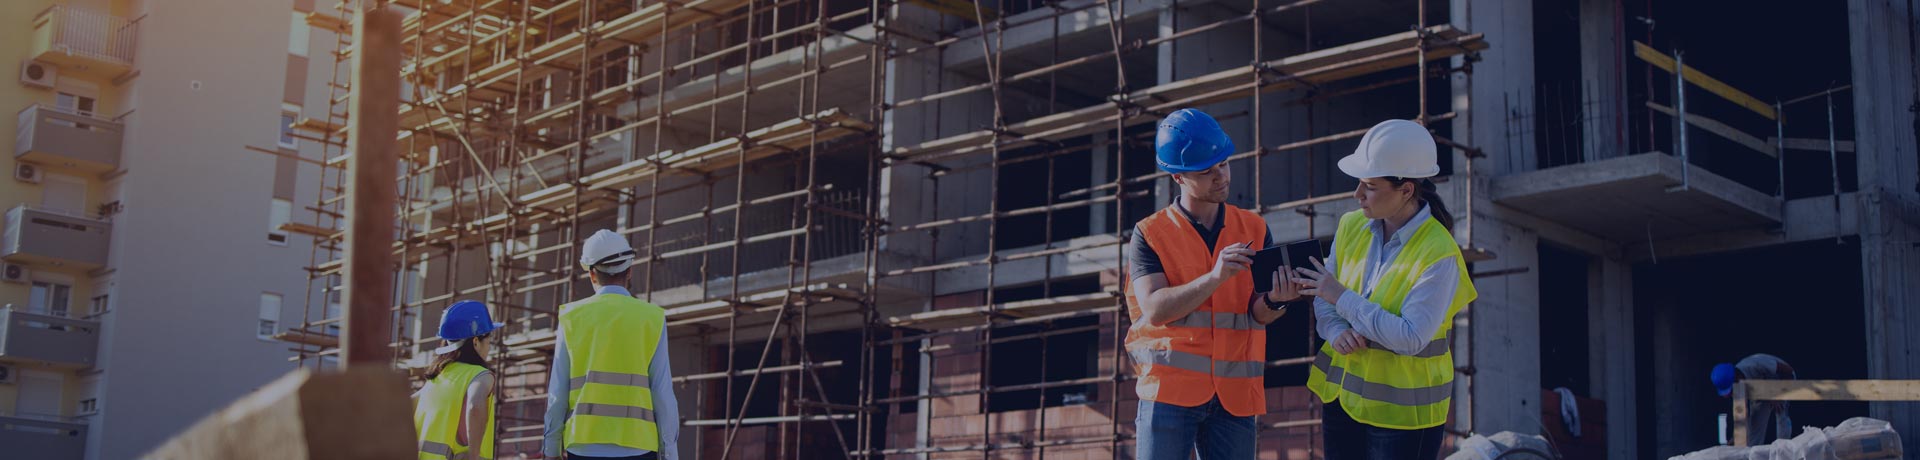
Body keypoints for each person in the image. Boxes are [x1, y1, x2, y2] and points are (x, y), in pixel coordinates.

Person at [1294, 119, 1478, 460]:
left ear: (1406, 190)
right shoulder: (1352, 225)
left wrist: (1342, 298)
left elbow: (1410, 337)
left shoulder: (1439, 252)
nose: (1357, 195)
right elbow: (1325, 293)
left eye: (1370, 186)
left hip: (1404, 418)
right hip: (1344, 401)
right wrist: (1335, 330)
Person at [1125, 108, 1299, 459]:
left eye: (1223, 164)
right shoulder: (1149, 233)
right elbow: (1156, 309)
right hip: (1170, 394)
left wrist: (1278, 301)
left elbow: (1256, 313)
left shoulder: (1254, 227)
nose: (1221, 177)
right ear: (1177, 178)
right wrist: (1215, 277)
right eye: (1206, 172)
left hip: (1235, 395)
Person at [543, 229, 680, 460]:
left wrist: (551, 448)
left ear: (592, 274)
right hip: (638, 445)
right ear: (629, 271)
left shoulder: (571, 317)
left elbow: (557, 392)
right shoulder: (651, 317)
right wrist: (669, 453)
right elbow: (662, 391)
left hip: (583, 445)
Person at [414, 300, 501, 460]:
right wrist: (473, 455)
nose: (489, 347)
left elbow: (405, 405)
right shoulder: (480, 375)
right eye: (489, 341)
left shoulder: (438, 377)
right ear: (476, 341)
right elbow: (475, 405)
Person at [1713, 353, 1797, 444]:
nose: (1732, 394)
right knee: (1755, 424)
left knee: (1780, 412)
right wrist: (1736, 437)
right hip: (1760, 389)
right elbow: (1742, 417)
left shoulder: (1754, 365)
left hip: (1781, 379)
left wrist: (1778, 394)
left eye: (1731, 390)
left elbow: (1788, 371)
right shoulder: (1737, 387)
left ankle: (1783, 451)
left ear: (1737, 378)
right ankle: (1754, 455)